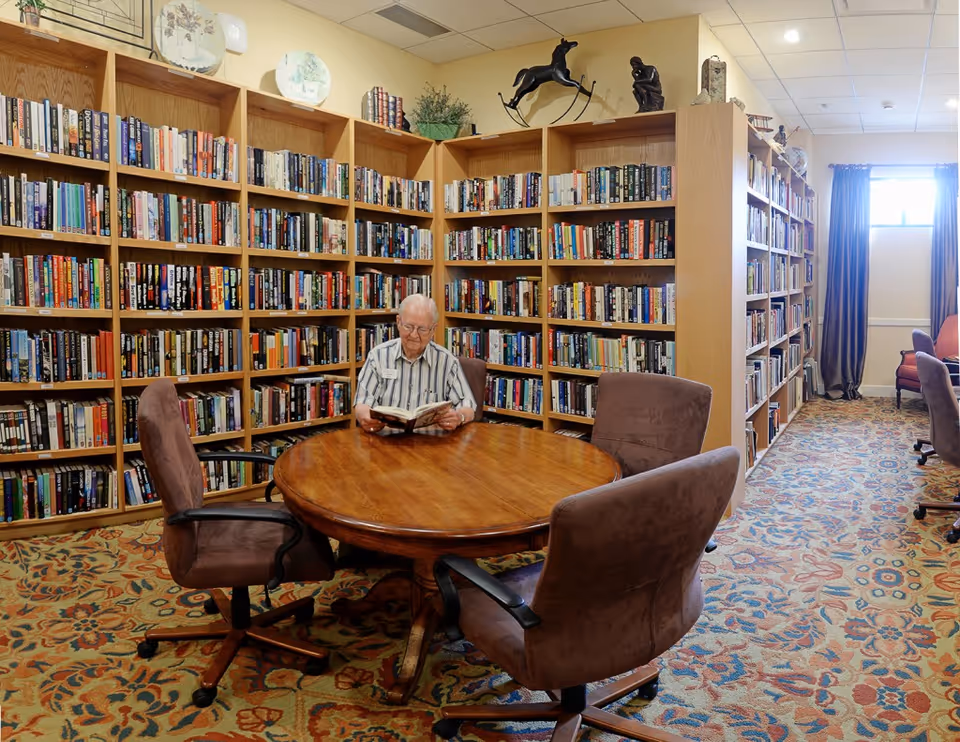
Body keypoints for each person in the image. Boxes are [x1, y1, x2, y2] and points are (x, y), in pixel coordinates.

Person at [354, 294, 476, 433]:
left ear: (433, 330)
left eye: (422, 329)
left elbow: (468, 405)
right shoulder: (377, 356)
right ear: (398, 322)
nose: (413, 335)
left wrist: (459, 416)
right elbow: (362, 403)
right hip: (386, 441)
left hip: (431, 444)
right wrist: (365, 418)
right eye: (408, 326)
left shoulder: (447, 361)